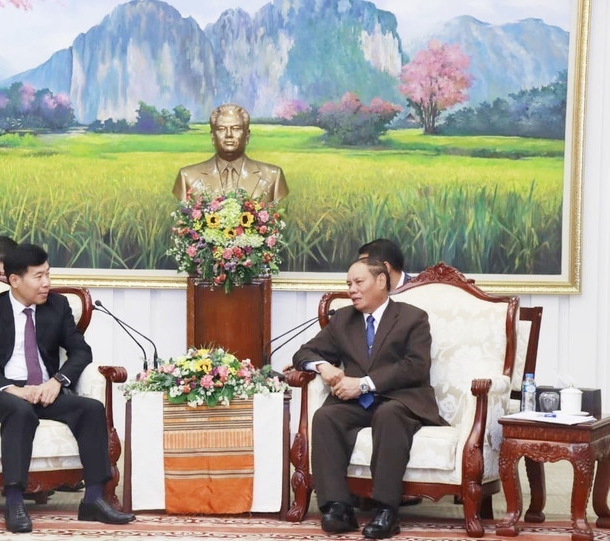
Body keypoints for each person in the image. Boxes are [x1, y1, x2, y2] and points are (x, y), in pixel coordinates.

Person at [0, 243, 135, 533]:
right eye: (38, 276)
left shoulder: (57, 306)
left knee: (91, 409)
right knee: (20, 411)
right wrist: (11, 388)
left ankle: (93, 499)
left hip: (44, 389)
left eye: (48, 274)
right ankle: (14, 502)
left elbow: (81, 351)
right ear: (14, 280)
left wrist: (57, 381)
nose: (47, 283)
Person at [291, 258, 445, 539]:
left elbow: (415, 366)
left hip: (400, 400)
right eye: (349, 283)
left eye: (358, 282)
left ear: (381, 281)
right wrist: (323, 366)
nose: (352, 289)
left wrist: (363, 384)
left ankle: (386, 511)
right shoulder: (343, 319)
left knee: (388, 415)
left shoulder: (412, 318)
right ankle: (337, 508)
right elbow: (303, 353)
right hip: (357, 405)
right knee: (326, 416)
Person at [172, 103, 289, 204]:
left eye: (236, 128)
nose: (229, 134)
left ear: (247, 135)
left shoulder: (273, 176)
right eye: (221, 129)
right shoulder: (187, 176)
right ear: (212, 136)